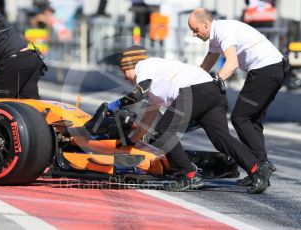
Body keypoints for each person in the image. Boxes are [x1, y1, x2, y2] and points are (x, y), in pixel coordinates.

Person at [107, 45, 273, 193]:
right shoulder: (156, 80)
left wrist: (117, 104)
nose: (125, 77)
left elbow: (139, 93)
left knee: (164, 130)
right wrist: (130, 142)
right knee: (220, 138)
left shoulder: (143, 66)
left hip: (195, 91)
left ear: (130, 66)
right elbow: (147, 121)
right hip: (212, 91)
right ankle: (257, 169)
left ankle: (187, 174)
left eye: (124, 72)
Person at [188, 8, 282, 186]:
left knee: (241, 118)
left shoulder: (223, 31)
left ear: (206, 24)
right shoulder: (215, 35)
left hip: (267, 70)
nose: (194, 35)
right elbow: (209, 60)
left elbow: (231, 64)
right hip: (268, 69)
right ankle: (259, 168)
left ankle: (261, 165)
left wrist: (213, 83)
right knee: (251, 120)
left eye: (195, 29)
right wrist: (191, 80)